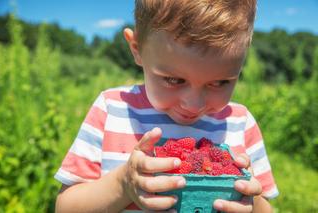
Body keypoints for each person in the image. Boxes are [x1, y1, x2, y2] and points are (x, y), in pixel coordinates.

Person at [55, 0, 279, 212]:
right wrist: (123, 184)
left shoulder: (240, 123)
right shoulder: (112, 109)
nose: (194, 104)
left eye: (220, 82)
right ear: (137, 49)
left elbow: (266, 207)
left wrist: (250, 201)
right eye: (174, 80)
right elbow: (65, 207)